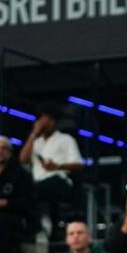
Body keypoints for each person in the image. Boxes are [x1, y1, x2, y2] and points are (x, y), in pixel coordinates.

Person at [20, 101, 83, 238]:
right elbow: (23, 159)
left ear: (55, 121)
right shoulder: (36, 142)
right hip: (38, 183)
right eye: (42, 119)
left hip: (59, 180)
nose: (45, 123)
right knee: (25, 192)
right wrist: (33, 134)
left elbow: (78, 164)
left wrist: (57, 166)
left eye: (49, 119)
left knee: (33, 191)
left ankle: (41, 227)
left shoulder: (66, 139)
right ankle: (38, 228)